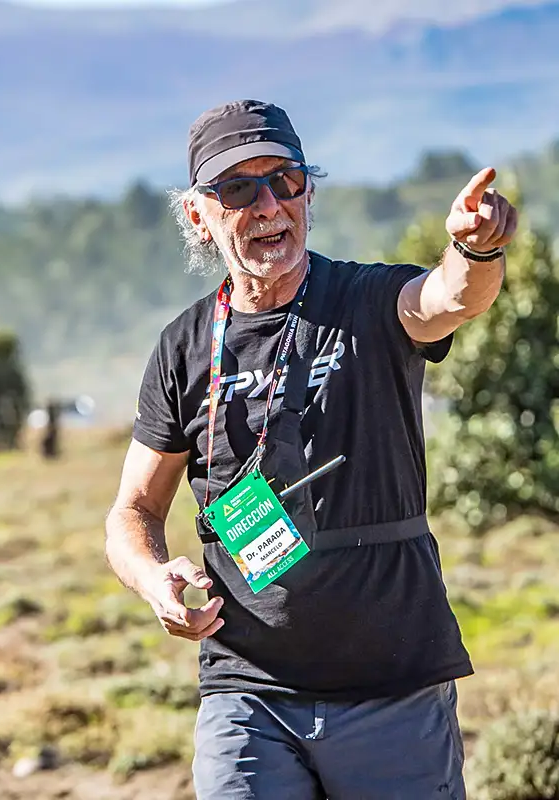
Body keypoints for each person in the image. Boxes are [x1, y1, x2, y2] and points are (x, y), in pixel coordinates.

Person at [105, 99, 518, 799]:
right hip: (248, 690)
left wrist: (475, 250)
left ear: (308, 192)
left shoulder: (368, 300)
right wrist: (153, 582)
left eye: (285, 180)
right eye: (239, 188)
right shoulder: (183, 348)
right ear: (198, 215)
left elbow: (448, 298)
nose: (269, 205)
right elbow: (133, 511)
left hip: (392, 684)